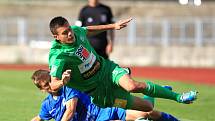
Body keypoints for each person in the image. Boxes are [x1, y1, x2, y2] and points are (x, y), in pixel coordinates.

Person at [48, 16, 197, 112]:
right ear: (56, 37)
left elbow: (87, 30)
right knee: (148, 107)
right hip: (98, 92)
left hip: (107, 70)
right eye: (65, 33)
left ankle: (179, 97)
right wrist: (62, 81)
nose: (70, 34)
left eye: (69, 30)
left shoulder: (75, 31)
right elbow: (52, 84)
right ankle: (160, 90)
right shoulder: (58, 56)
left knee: (132, 86)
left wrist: (113, 26)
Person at [30, 69, 179, 121]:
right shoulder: (47, 106)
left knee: (147, 112)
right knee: (144, 114)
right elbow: (40, 117)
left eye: (50, 80)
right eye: (46, 86)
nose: (51, 85)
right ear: (42, 90)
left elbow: (70, 110)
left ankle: (160, 91)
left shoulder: (69, 87)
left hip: (106, 107)